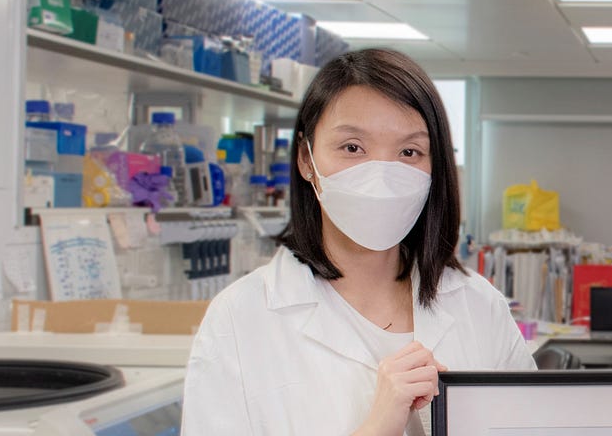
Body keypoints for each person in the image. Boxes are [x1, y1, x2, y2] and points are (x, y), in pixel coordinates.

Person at [183, 49, 535, 435]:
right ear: (306, 158)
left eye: (409, 152)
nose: (381, 175)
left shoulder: (478, 305)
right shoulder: (240, 318)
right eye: (352, 147)